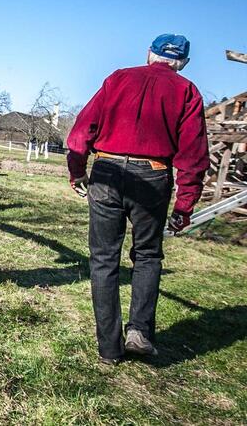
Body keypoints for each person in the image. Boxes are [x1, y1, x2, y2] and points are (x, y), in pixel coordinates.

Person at [66, 34, 209, 365]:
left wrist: (77, 171)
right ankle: (139, 332)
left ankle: (109, 349)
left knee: (103, 259)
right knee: (146, 255)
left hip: (105, 171)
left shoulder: (118, 78)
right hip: (152, 175)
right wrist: (184, 206)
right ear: (182, 62)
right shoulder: (186, 90)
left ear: (150, 55)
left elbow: (81, 130)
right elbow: (194, 156)